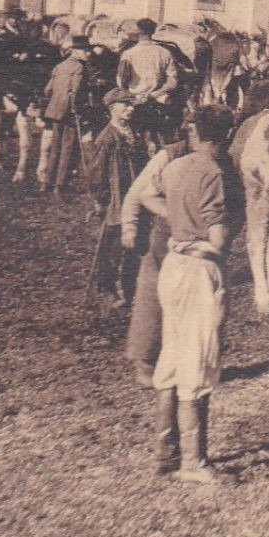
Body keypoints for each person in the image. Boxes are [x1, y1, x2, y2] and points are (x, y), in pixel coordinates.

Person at [152, 105, 243, 483]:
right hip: (198, 271)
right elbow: (219, 240)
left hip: (172, 265)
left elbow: (148, 196)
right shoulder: (214, 173)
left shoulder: (175, 166)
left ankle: (166, 452)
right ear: (225, 136)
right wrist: (205, 236)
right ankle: (194, 462)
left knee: (172, 356)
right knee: (198, 361)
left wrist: (178, 222)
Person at [120, 127, 189, 390]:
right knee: (152, 293)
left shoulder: (222, 156)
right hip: (164, 234)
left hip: (194, 238)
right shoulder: (170, 155)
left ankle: (182, 361)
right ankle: (145, 361)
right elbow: (138, 192)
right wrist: (129, 226)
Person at [87, 88, 145, 309]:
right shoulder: (107, 138)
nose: (130, 110)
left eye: (132, 106)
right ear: (113, 109)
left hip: (134, 192)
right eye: (126, 105)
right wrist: (101, 199)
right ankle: (107, 287)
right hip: (117, 197)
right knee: (113, 244)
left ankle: (130, 288)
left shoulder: (132, 132)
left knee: (134, 242)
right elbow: (97, 172)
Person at [37, 36, 92, 194]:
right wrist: (75, 109)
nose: (87, 54)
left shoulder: (60, 66)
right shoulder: (79, 68)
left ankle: (46, 182)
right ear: (75, 51)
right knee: (67, 148)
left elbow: (48, 90)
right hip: (69, 112)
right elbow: (74, 91)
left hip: (54, 112)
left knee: (55, 147)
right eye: (85, 50)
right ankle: (60, 185)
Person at [115, 18, 178, 108]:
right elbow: (172, 80)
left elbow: (121, 80)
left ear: (138, 32)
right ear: (153, 32)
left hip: (135, 100)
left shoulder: (128, 54)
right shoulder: (165, 52)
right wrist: (156, 93)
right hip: (158, 100)